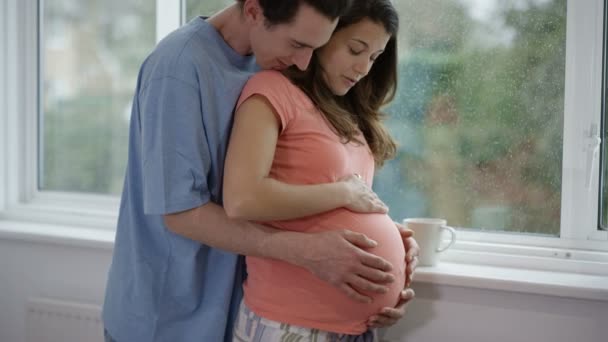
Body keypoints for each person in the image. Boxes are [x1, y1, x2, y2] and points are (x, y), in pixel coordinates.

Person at [102, 0, 419, 341]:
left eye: (315, 47)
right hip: (170, 313)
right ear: (253, 10)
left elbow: (293, 178)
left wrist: (378, 242)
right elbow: (180, 212)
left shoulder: (273, 58)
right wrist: (307, 250)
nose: (304, 61)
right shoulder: (178, 68)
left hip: (234, 301)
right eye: (298, 44)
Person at [223, 0, 411, 341]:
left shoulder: (346, 115)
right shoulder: (272, 90)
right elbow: (242, 198)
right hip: (288, 324)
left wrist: (392, 245)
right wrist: (343, 194)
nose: (364, 68)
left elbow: (341, 203)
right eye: (356, 49)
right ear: (325, 35)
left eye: (374, 57)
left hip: (357, 329)